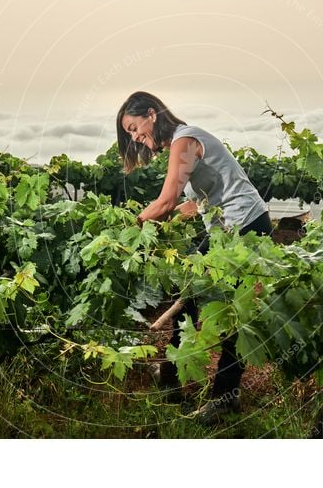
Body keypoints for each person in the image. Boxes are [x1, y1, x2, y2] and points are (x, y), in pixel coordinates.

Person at [116, 90, 272, 422]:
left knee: (230, 312)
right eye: (129, 133)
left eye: (134, 128)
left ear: (152, 114)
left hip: (246, 226)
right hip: (226, 230)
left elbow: (167, 199)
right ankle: (171, 375)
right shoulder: (184, 143)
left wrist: (133, 227)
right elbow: (190, 204)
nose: (135, 137)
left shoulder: (184, 142)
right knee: (187, 295)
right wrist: (165, 220)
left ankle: (224, 399)